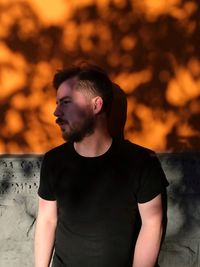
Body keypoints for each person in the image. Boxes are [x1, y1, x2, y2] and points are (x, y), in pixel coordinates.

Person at [34, 63, 168, 267]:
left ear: (96, 105)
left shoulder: (141, 163)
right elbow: (46, 220)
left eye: (66, 102)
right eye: (57, 103)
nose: (56, 112)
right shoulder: (54, 161)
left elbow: (152, 224)